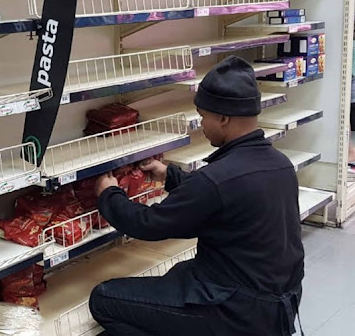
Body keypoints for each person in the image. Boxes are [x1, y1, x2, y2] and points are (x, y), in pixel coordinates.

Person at [89, 56, 304, 335]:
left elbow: (148, 224)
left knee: (104, 299)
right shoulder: (279, 164)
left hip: (234, 311)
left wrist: (109, 194)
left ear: (223, 117)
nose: (201, 124)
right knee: (177, 276)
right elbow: (224, 198)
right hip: (277, 305)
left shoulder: (217, 180)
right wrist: (170, 175)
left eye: (203, 116)